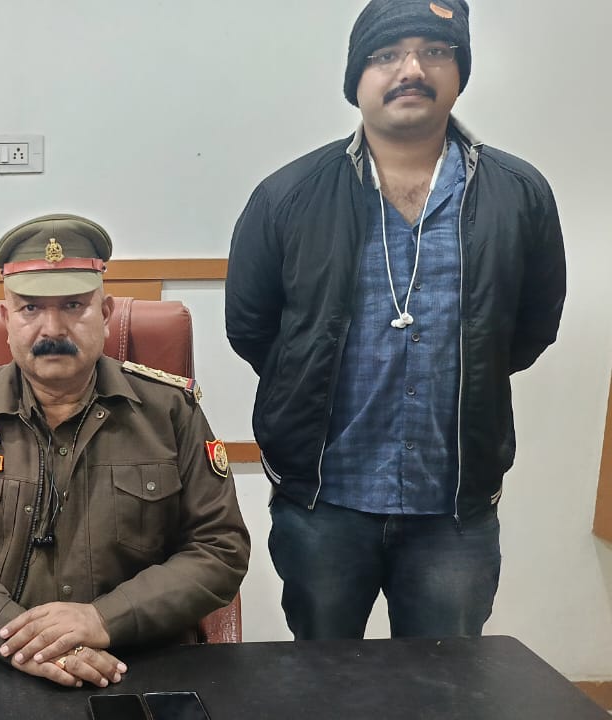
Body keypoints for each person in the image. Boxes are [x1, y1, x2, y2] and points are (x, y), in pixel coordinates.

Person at [225, 0, 565, 640]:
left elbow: (529, 330)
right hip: (324, 500)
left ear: (460, 71)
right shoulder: (288, 195)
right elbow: (253, 328)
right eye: (386, 55)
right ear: (356, 77)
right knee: (324, 680)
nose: (411, 69)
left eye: (434, 52)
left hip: (454, 505)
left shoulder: (517, 193)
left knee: (445, 683)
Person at [0, 214, 249, 688]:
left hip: (134, 660)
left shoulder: (170, 413)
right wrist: (10, 631)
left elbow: (220, 548)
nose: (52, 328)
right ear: (6, 320)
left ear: (106, 313)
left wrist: (104, 618)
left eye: (74, 305)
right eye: (30, 308)